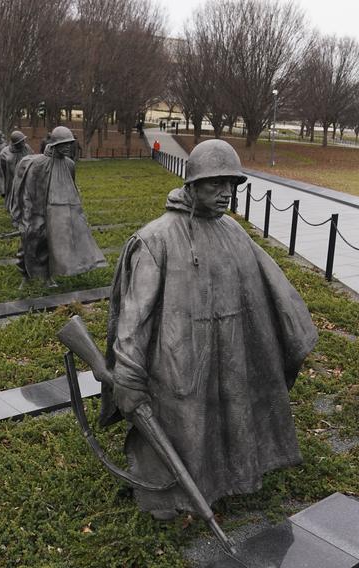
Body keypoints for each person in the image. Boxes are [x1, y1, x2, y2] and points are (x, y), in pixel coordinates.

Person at [101, 139, 317, 521]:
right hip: (178, 360)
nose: (225, 194)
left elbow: (269, 291)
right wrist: (129, 376)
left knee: (228, 421)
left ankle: (229, 479)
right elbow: (134, 318)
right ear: (192, 186)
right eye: (215, 184)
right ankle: (170, 496)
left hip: (229, 352)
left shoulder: (232, 232)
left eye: (231, 185)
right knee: (184, 428)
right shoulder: (156, 240)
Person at [14, 125, 106, 284]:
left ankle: (47, 275)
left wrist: (78, 214)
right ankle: (26, 274)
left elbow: (72, 189)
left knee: (53, 243)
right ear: (55, 144)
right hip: (38, 210)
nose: (68, 148)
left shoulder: (70, 164)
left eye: (69, 144)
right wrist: (26, 217)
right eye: (64, 144)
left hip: (59, 210)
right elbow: (28, 192)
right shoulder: (38, 164)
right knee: (31, 241)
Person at [0, 130, 33, 226]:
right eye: (21, 141)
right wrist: (2, 187)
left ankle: (25, 217)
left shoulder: (27, 149)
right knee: (13, 199)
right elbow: (1, 171)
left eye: (23, 140)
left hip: (26, 179)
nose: (23, 143)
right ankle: (15, 218)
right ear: (15, 143)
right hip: (11, 180)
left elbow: (34, 162)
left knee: (25, 198)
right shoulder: (4, 153)